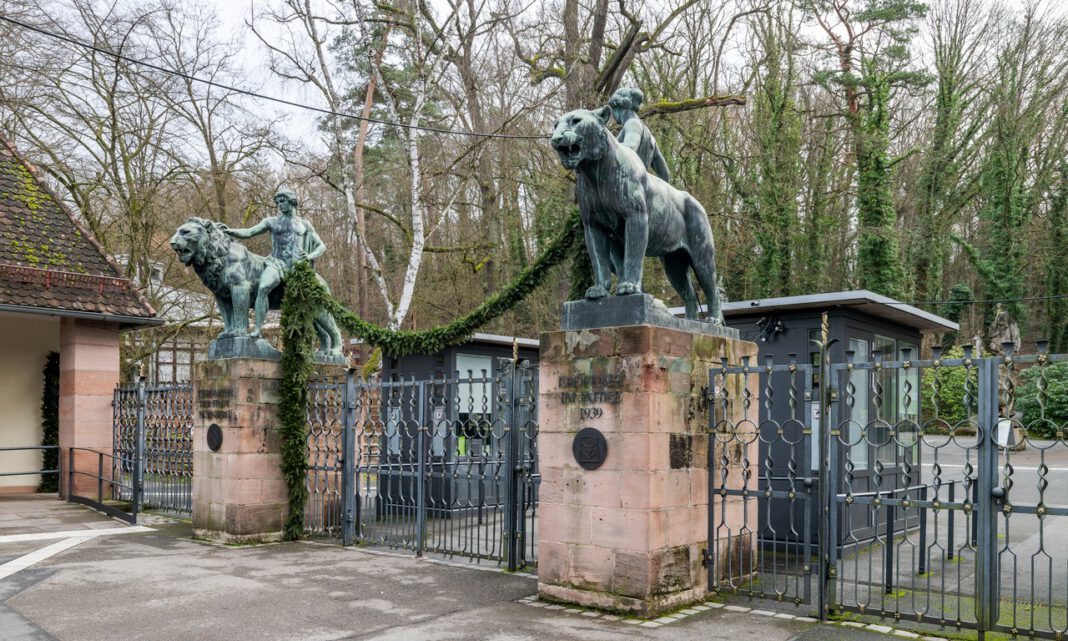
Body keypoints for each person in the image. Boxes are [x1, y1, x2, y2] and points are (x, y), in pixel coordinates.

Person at [220, 188, 327, 338]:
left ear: (291, 201)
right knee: (263, 287)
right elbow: (250, 232)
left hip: (297, 267)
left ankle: (326, 338)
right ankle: (257, 329)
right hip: (277, 262)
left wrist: (309, 256)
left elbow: (321, 246)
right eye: (277, 203)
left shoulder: (305, 224)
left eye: (282, 201)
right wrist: (231, 231)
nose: (279, 205)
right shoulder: (272, 222)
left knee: (310, 303)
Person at [608, 87, 672, 182]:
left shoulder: (632, 124)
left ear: (619, 108)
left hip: (626, 186)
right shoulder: (650, 137)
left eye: (613, 110)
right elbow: (665, 174)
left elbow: (629, 149)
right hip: (641, 189)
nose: (613, 115)